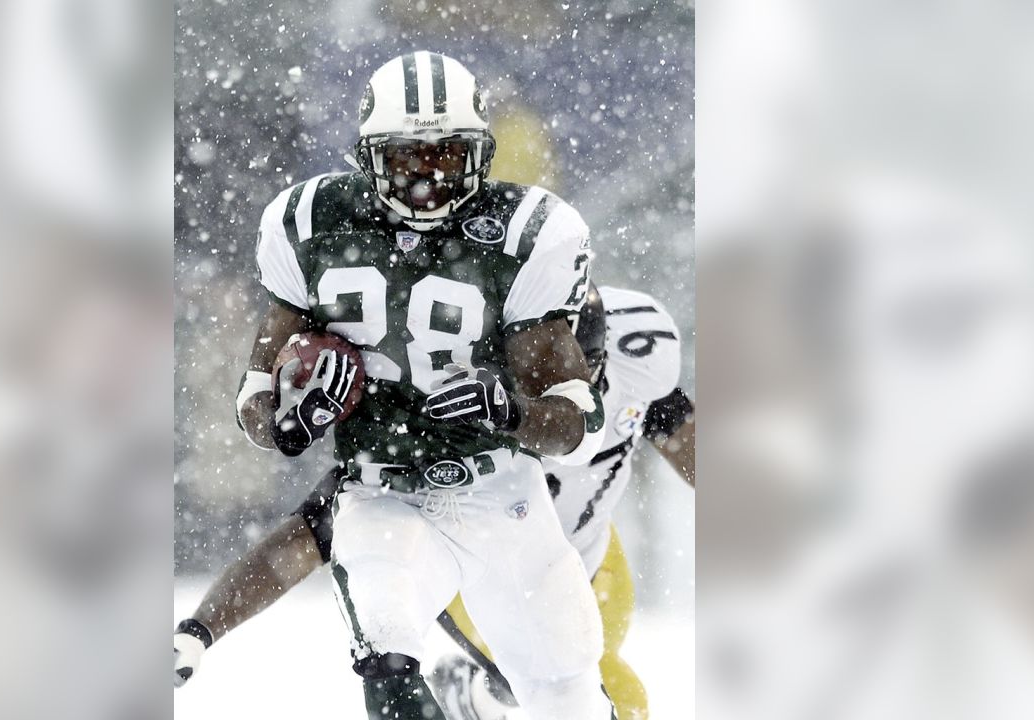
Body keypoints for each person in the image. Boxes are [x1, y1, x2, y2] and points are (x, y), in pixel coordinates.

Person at [187, 51, 614, 720]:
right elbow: (256, 390)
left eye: (447, 155)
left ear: (480, 152)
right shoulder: (309, 223)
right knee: (386, 663)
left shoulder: (527, 235)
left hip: (500, 489)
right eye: (409, 157)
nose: (428, 177)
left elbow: (575, 415)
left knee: (567, 695)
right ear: (368, 155)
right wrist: (286, 424)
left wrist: (513, 413)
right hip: (380, 491)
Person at [175, 286, 696, 720]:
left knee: (570, 677)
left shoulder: (638, 345)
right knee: (611, 698)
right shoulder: (440, 404)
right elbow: (313, 532)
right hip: (477, 579)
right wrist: (201, 628)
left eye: (568, 380)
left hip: (590, 555)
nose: (549, 395)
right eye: (532, 380)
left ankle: (474, 697)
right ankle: (485, 692)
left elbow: (678, 432)